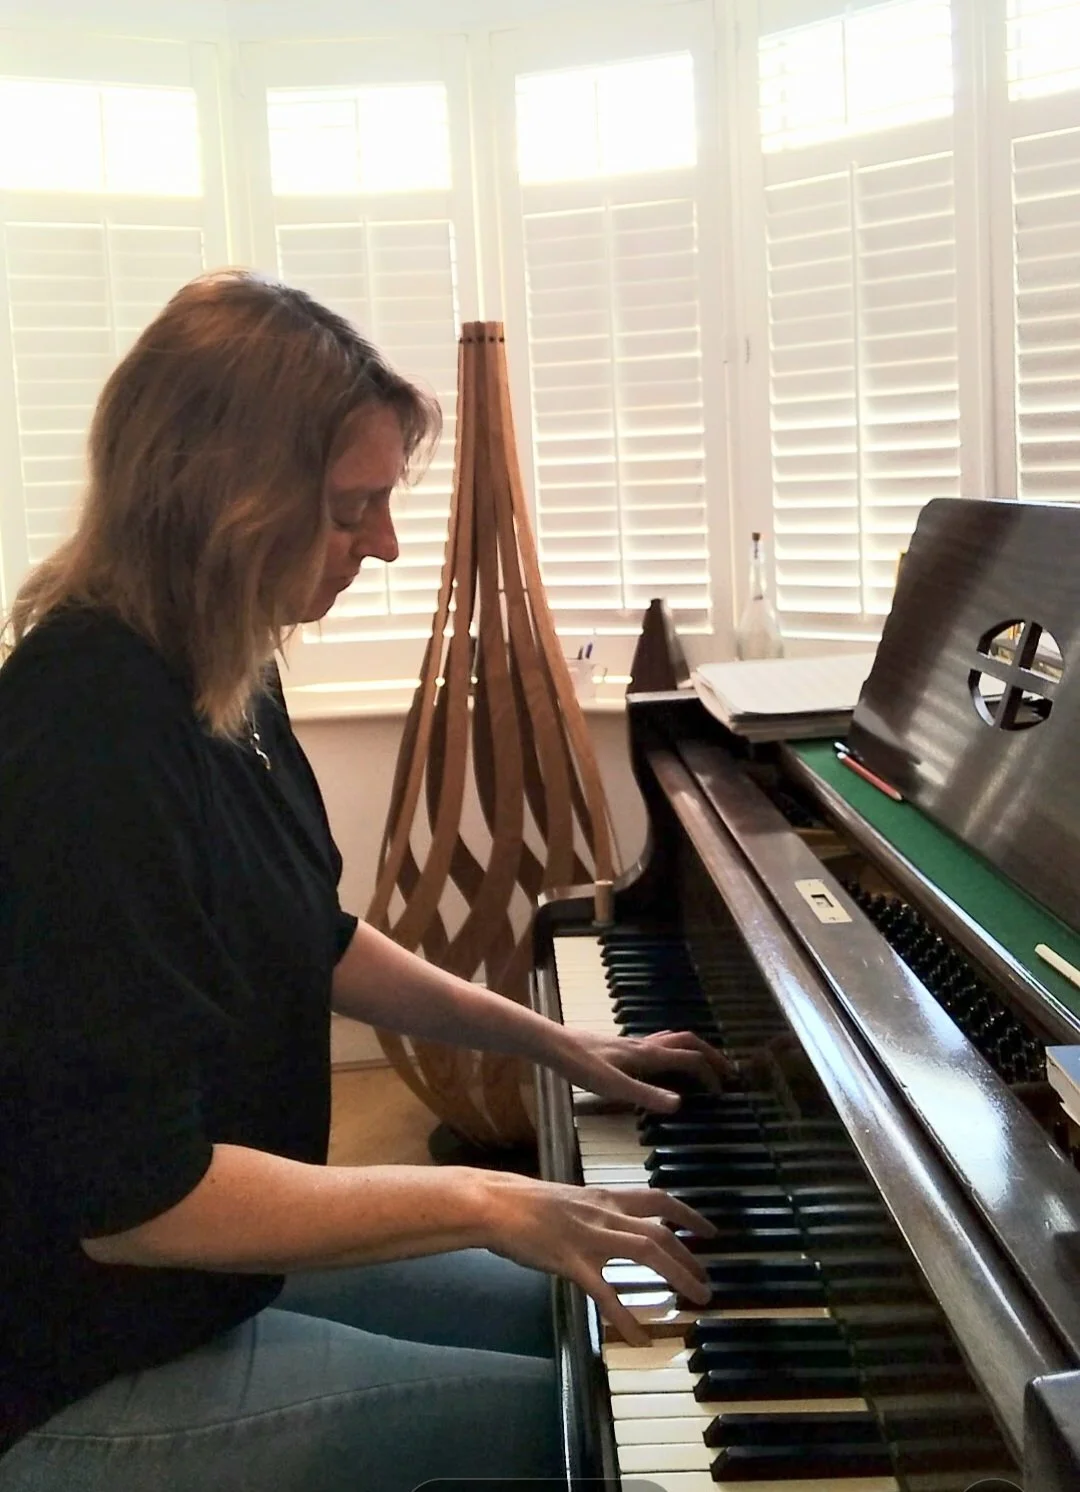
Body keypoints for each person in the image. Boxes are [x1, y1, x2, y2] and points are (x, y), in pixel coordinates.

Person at [0, 270, 728, 1492]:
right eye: (351, 510)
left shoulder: (230, 666)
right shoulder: (83, 730)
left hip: (208, 1288)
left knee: (592, 1320)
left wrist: (564, 1047)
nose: (383, 544)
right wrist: (494, 1201)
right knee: (587, 1431)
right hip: (87, 1358)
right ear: (223, 497)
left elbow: (316, 938)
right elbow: (135, 1203)